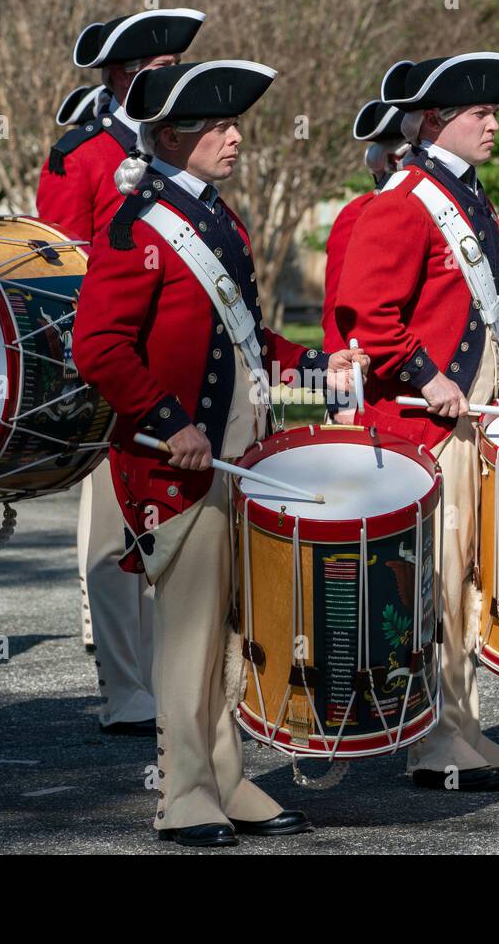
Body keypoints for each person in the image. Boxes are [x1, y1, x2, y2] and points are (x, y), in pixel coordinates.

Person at [73, 59, 368, 846]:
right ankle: (182, 795)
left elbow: (245, 340)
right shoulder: (135, 226)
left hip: (239, 455)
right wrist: (171, 420)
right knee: (191, 635)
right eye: (219, 127)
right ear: (173, 136)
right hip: (179, 466)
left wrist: (314, 368)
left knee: (233, 637)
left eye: (235, 125)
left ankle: (229, 778)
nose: (236, 138)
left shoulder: (218, 219)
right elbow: (97, 346)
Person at [335, 52, 499, 792]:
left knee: (468, 585)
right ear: (436, 122)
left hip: (473, 425)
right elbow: (367, 316)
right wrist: (427, 377)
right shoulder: (400, 202)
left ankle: (464, 729)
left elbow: (473, 319)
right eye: (482, 113)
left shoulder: (470, 200)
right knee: (437, 586)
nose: (495, 124)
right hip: (425, 432)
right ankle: (435, 742)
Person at [37, 9, 205, 734]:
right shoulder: (80, 155)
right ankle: (126, 690)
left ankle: (179, 676)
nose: (176, 76)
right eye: (161, 67)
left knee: (188, 535)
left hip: (184, 372)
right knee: (116, 541)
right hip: (114, 374)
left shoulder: (182, 143)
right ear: (121, 75)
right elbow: (60, 268)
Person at [322, 97, 407, 423]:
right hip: (377, 394)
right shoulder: (358, 215)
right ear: (391, 160)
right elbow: (339, 313)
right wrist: (343, 395)